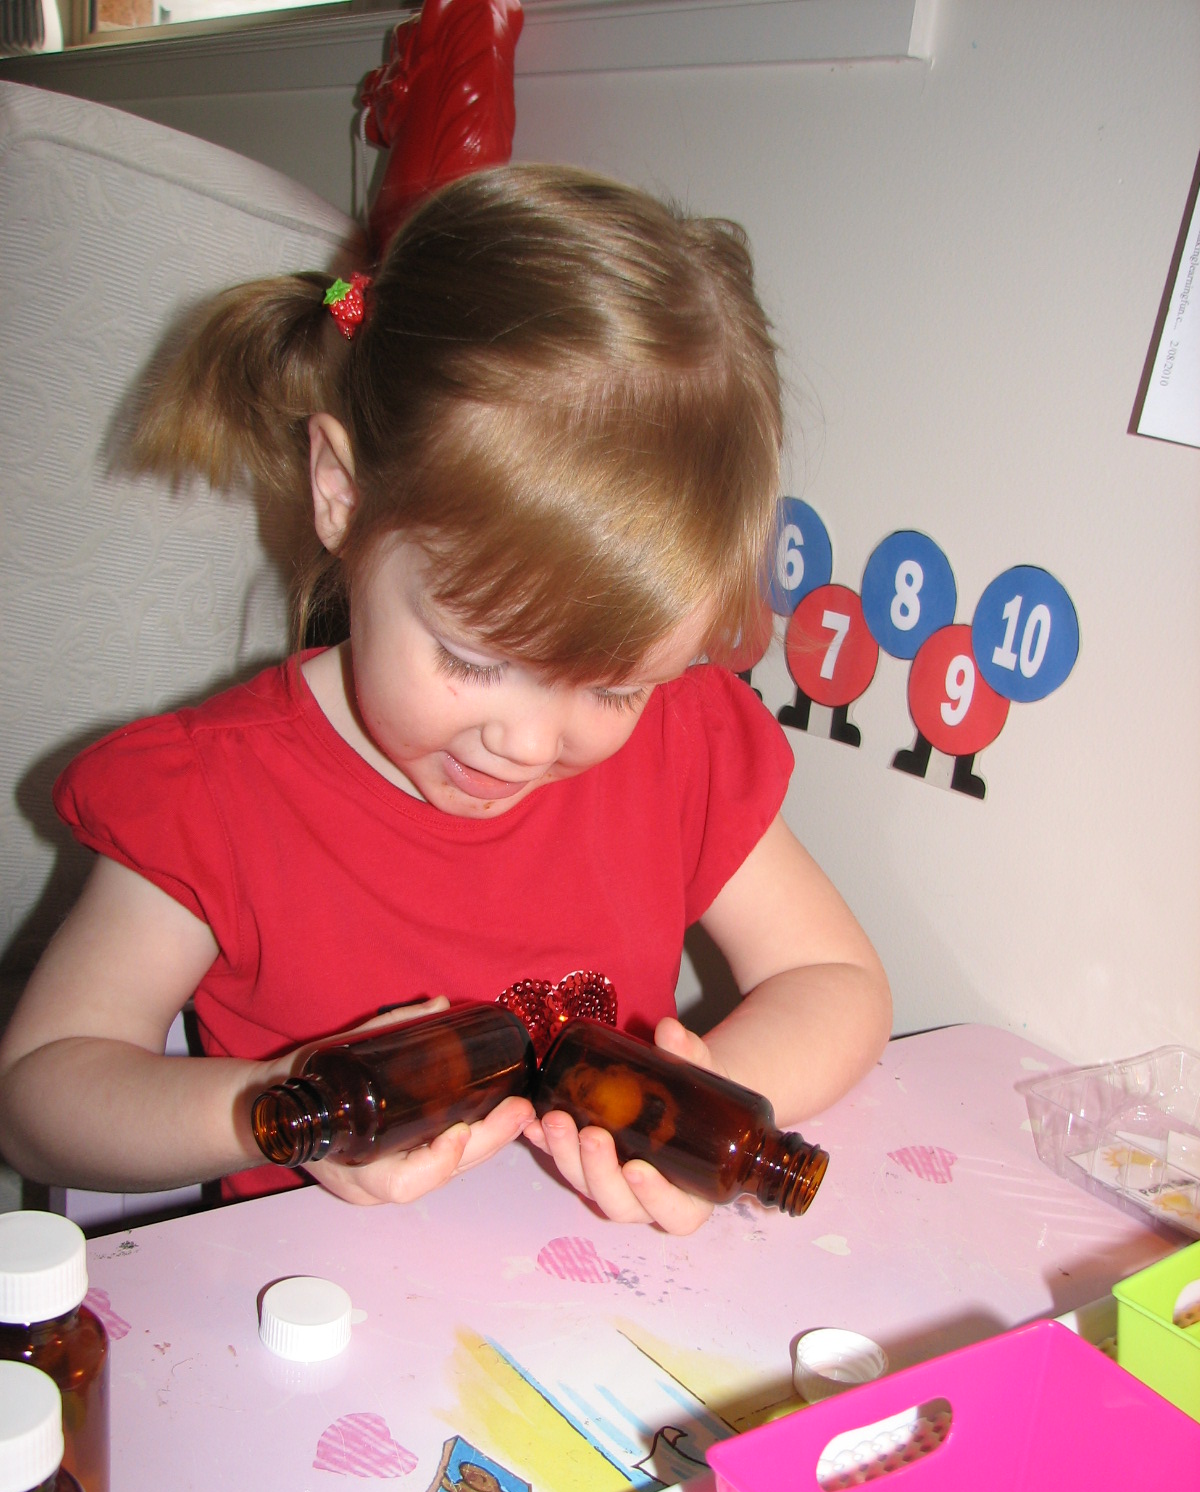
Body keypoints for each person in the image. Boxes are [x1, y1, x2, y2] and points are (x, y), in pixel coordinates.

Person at [0, 164, 891, 1235]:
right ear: (342, 493)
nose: (528, 742)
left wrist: (699, 1111)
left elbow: (835, 977)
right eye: (474, 657)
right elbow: (39, 1099)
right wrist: (280, 1108)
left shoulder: (680, 747)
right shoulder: (215, 797)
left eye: (613, 687)